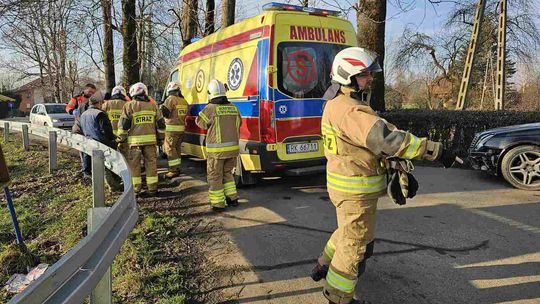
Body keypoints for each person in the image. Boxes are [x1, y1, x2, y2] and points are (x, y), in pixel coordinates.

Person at [310, 47, 456, 304]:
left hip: (348, 186)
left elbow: (362, 146)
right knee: (354, 243)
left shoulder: (337, 103)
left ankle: (323, 264)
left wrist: (391, 165)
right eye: (364, 74)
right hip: (356, 189)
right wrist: (435, 150)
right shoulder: (350, 110)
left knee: (348, 232)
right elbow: (387, 139)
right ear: (348, 75)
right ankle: (337, 295)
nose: (371, 78)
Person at [195, 79, 241, 211]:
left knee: (215, 177)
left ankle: (218, 204)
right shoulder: (234, 107)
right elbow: (239, 124)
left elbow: (200, 123)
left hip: (216, 152)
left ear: (210, 93)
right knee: (228, 174)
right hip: (232, 151)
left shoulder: (210, 108)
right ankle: (232, 199)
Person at [117, 82, 166, 195]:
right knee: (151, 165)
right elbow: (161, 125)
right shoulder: (153, 106)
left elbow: (124, 126)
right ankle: (153, 188)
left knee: (134, 166)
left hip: (135, 144)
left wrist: (121, 139)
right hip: (151, 142)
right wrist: (160, 139)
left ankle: (135, 189)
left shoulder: (129, 106)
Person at [79, 96, 122, 191]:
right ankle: (114, 185)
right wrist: (113, 140)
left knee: (99, 164)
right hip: (101, 142)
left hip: (89, 141)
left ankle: (111, 184)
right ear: (98, 103)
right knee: (108, 164)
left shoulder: (83, 114)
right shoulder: (100, 114)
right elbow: (106, 130)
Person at [160, 82, 189, 178]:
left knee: (170, 149)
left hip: (171, 130)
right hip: (181, 129)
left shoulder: (170, 99)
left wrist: (161, 107)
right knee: (177, 149)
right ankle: (177, 167)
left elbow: (166, 113)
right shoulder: (184, 101)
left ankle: (173, 170)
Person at [102, 86, 129, 156]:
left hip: (110, 136)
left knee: (112, 157)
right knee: (125, 158)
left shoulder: (106, 104)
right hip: (125, 137)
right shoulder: (128, 104)